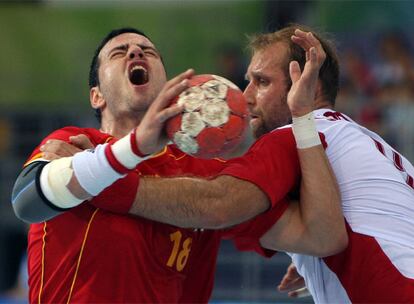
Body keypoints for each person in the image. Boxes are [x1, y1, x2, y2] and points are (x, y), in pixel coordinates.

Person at [45, 24, 414, 303]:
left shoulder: (292, 139)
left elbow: (220, 205)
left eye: (261, 82)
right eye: (246, 81)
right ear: (95, 95)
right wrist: (308, 258)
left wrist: (98, 178)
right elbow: (334, 233)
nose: (247, 96)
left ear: (307, 85)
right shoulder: (366, 141)